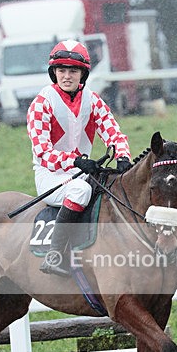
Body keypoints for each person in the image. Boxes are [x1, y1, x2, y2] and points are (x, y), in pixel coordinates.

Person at [27, 39, 132, 276]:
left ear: (82, 74)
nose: (66, 76)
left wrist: (123, 157)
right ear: (53, 73)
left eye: (72, 71)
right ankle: (55, 255)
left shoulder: (93, 100)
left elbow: (113, 132)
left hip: (82, 172)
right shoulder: (41, 103)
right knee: (80, 192)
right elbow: (43, 152)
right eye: (61, 70)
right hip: (51, 176)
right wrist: (74, 161)